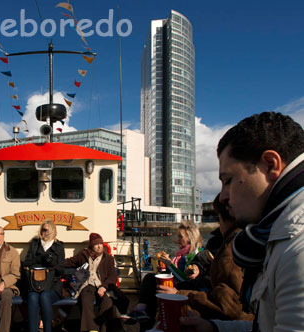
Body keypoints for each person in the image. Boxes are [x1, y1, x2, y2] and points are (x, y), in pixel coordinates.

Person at [181, 112, 304, 332]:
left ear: (269, 164)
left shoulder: (296, 250)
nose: (223, 196)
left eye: (227, 181)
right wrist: (214, 328)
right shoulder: (279, 237)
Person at [159, 195, 253, 321]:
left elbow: (228, 304)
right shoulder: (237, 243)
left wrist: (177, 288)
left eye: (181, 237)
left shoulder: (230, 249)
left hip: (208, 301)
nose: (177, 240)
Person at [130, 221, 203, 329]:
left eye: (180, 237)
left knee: (151, 281)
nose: (177, 240)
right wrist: (165, 270)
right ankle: (142, 311)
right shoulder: (181, 255)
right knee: (150, 279)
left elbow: (185, 280)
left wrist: (169, 265)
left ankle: (142, 312)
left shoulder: (198, 256)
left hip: (184, 293)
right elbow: (177, 273)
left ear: (190, 238)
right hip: (174, 289)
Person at [65, 233, 128, 332]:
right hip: (87, 284)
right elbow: (70, 262)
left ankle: (103, 329)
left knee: (107, 302)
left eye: (101, 244)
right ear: (91, 245)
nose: (99, 246)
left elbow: (112, 276)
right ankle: (91, 329)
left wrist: (104, 287)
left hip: (102, 285)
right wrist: (55, 263)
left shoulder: (108, 258)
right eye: (96, 244)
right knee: (85, 300)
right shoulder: (83, 254)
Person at [23, 220, 65, 332]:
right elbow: (26, 263)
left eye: (46, 230)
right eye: (42, 229)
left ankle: (48, 329)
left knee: (44, 296)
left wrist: (52, 264)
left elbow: (61, 269)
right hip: (35, 283)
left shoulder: (59, 246)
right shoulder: (35, 244)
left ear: (52, 231)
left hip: (52, 285)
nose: (43, 232)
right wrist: (39, 259)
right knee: (32, 297)